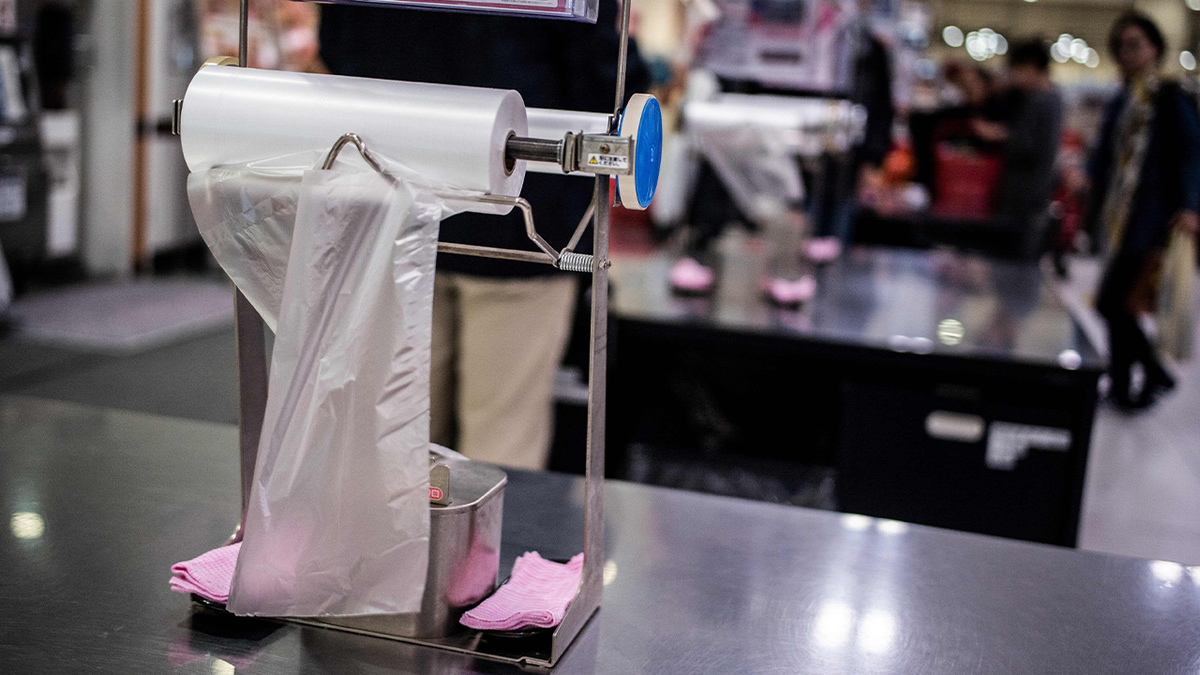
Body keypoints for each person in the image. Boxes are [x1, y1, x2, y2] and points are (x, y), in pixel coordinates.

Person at [319, 1, 649, 468]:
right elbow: (606, 85)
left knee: (396, 437)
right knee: (500, 439)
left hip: (399, 204)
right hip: (521, 222)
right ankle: (485, 541)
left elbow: (337, 49)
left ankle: (393, 541)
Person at [1088, 13, 1200, 409]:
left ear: (1155, 47)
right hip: (1119, 218)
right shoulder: (1123, 96)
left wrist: (1190, 204)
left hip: (1152, 217)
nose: (1126, 53)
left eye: (1135, 44)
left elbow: (1191, 152)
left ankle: (1153, 373)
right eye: (1120, 46)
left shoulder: (1170, 95)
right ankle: (1123, 384)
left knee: (1112, 302)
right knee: (1119, 304)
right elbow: (1106, 156)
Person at [971, 39, 1064, 259]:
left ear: (1031, 67)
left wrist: (996, 134)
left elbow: (1025, 146)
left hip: (1024, 199)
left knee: (1013, 265)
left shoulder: (1041, 101)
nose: (1013, 76)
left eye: (1016, 70)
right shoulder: (1051, 99)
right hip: (1033, 197)